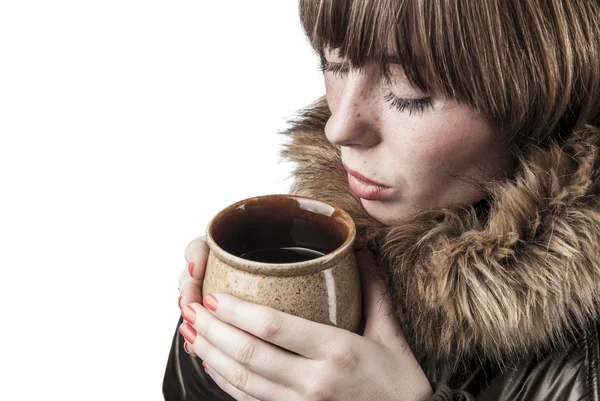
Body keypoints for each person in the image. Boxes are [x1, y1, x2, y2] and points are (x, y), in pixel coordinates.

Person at [163, 0, 600, 399]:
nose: (340, 127)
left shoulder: (587, 361)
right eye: (333, 61)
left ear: (546, 90)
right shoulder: (337, 238)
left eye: (409, 92)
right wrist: (225, 355)